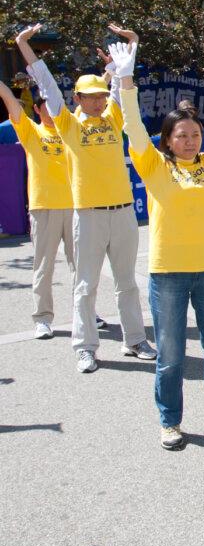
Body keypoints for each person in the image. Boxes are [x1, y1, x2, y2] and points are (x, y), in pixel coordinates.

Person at [108, 40, 204, 450]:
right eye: (181, 135)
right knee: (170, 354)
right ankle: (170, 421)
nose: (190, 140)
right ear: (166, 140)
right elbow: (132, 124)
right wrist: (126, 79)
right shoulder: (153, 164)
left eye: (196, 134)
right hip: (167, 273)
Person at [17, 24, 155, 373]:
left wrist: (132, 45)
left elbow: (123, 81)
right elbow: (47, 85)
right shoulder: (69, 125)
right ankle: (85, 347)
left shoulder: (112, 117)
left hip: (123, 212)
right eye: (89, 96)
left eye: (100, 95)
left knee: (127, 283)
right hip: (89, 215)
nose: (97, 100)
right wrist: (23, 46)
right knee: (85, 286)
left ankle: (135, 339)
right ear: (76, 99)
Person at [0, 79, 79, 340]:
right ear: (37, 109)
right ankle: (43, 318)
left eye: (56, 106)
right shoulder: (32, 132)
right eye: (46, 106)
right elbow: (12, 105)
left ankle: (84, 312)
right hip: (44, 208)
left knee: (81, 266)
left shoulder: (71, 131)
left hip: (76, 207)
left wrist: (112, 73)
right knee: (44, 267)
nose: (52, 111)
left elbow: (93, 102)